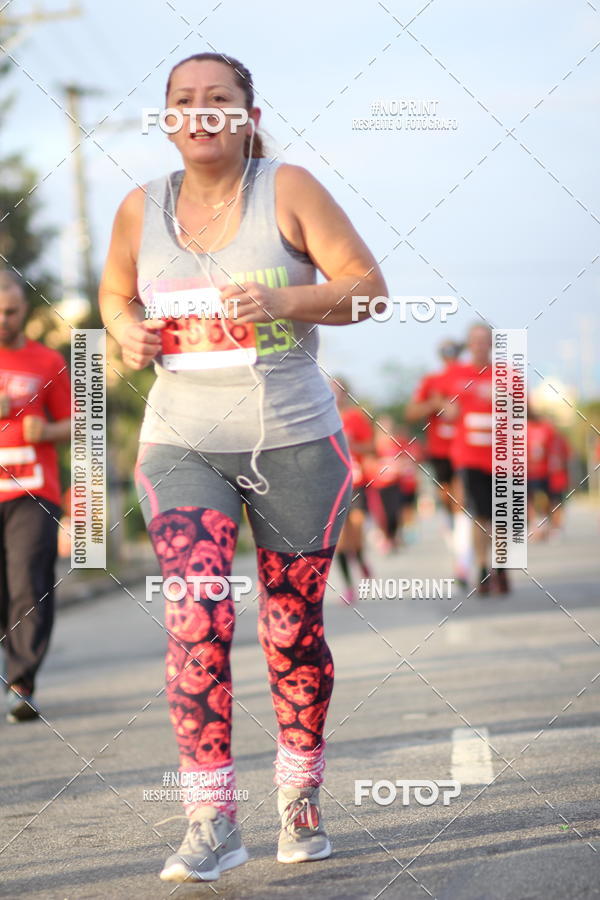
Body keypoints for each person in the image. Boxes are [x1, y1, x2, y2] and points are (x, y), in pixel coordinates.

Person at [99, 53, 386, 883]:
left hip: (296, 438)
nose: (201, 112)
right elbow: (116, 294)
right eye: (183, 100)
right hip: (182, 439)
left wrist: (287, 300)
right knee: (196, 618)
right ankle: (211, 816)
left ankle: (299, 797)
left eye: (218, 99)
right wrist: (124, 331)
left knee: (292, 629)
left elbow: (370, 289)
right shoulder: (138, 206)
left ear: (246, 114)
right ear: (167, 117)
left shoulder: (287, 189)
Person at [0, 270, 71, 722]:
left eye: (10, 311)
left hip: (33, 492)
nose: (3, 319)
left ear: (24, 310)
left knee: (29, 581)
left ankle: (22, 683)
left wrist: (46, 429)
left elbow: (80, 423)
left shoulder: (48, 362)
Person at [443, 323, 509, 595]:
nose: (480, 345)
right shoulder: (456, 374)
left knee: (500, 516)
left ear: (492, 344)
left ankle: (501, 567)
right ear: (468, 344)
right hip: (469, 456)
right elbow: (446, 409)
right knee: (480, 515)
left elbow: (524, 411)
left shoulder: (506, 375)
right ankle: (482, 568)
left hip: (501, 455)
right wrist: (448, 410)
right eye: (475, 340)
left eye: (485, 340)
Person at [406, 339, 472, 585]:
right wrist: (433, 404)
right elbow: (411, 411)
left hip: (466, 450)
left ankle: (463, 562)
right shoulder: (431, 380)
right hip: (439, 450)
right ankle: (457, 544)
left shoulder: (469, 377)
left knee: (461, 502)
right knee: (447, 500)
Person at [331, 379, 375, 604]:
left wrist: (352, 445)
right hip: (331, 485)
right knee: (340, 539)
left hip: (356, 483)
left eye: (339, 390)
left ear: (346, 393)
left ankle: (361, 557)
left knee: (356, 532)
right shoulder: (320, 417)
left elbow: (371, 447)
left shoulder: (355, 417)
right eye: (331, 389)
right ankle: (348, 587)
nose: (335, 394)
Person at [526, 408, 555, 541]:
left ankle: (544, 526)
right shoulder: (523, 428)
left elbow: (552, 449)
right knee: (529, 500)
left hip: (542, 472)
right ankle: (534, 527)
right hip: (527, 472)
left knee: (542, 499)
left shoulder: (546, 428)